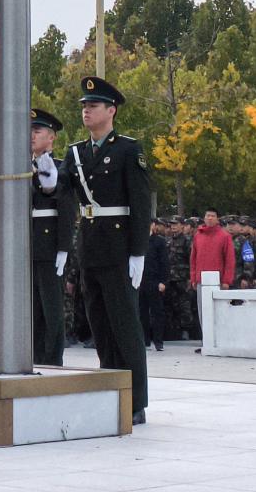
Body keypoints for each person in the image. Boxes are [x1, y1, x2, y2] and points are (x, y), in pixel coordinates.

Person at [57, 76, 151, 426]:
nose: (86, 111)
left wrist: (138, 252)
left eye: (93, 106)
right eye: (84, 106)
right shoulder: (76, 153)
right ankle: (111, 388)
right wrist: (49, 177)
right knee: (100, 323)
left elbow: (140, 204)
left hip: (119, 247)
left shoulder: (128, 150)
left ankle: (136, 400)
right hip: (91, 246)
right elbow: (61, 190)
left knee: (125, 325)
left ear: (111, 111)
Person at [30, 108, 73, 366]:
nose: (31, 136)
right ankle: (33, 358)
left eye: (37, 131)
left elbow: (66, 211)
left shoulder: (60, 168)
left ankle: (52, 360)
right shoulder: (19, 168)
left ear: (51, 137)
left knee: (51, 310)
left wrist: (63, 248)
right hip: (25, 247)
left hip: (49, 248)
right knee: (31, 309)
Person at [189, 208, 235, 352]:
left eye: (212, 216)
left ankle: (220, 342)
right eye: (207, 215)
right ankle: (206, 342)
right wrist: (193, 278)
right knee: (203, 312)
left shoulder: (224, 236)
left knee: (218, 313)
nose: (209, 218)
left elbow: (229, 260)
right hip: (201, 281)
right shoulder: (198, 235)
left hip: (218, 282)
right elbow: (193, 259)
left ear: (217, 218)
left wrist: (226, 280)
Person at [141, 219, 170, 351]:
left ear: (153, 225)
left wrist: (163, 281)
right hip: (140, 281)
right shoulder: (137, 241)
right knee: (141, 312)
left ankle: (158, 341)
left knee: (157, 312)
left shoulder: (159, 241)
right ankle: (144, 340)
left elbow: (164, 263)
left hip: (154, 281)